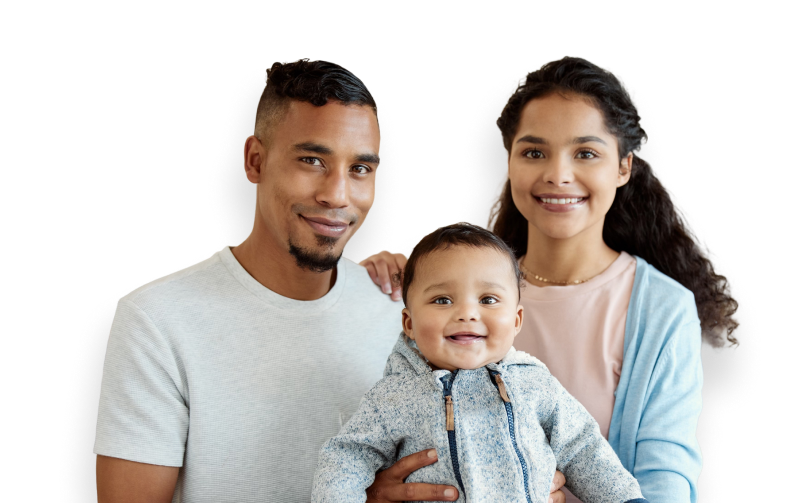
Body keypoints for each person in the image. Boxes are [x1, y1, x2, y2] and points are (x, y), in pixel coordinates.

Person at [360, 56, 741, 503]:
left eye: (586, 153)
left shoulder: (661, 308)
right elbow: (380, 427)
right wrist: (374, 489)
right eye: (534, 152)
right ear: (510, 161)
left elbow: (666, 483)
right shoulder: (443, 296)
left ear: (623, 167)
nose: (558, 175)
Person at [93, 59, 470, 503]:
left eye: (360, 169)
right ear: (255, 161)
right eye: (312, 160)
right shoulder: (157, 321)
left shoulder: (400, 309)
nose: (337, 195)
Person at [313, 222, 649, 503]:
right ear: (409, 324)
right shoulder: (393, 397)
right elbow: (347, 456)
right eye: (442, 300)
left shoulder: (535, 383)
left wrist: (626, 499)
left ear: (516, 320)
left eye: (488, 299)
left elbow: (582, 446)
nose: (467, 313)